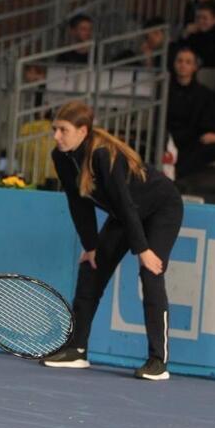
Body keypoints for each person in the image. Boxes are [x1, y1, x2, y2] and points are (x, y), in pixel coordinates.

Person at [41, 100, 184, 380]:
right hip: (126, 213)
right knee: (90, 269)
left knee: (150, 273)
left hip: (161, 207)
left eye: (63, 130)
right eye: (55, 129)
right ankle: (77, 349)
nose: (56, 136)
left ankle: (158, 361)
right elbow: (77, 203)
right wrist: (91, 246)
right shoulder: (61, 157)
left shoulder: (103, 154)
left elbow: (124, 202)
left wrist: (142, 249)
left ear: (83, 131)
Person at [165, 46, 214, 162]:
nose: (183, 65)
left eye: (188, 62)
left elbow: (199, 124)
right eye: (179, 61)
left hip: (190, 141)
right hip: (166, 137)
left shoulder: (203, 94)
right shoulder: (165, 90)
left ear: (195, 67)